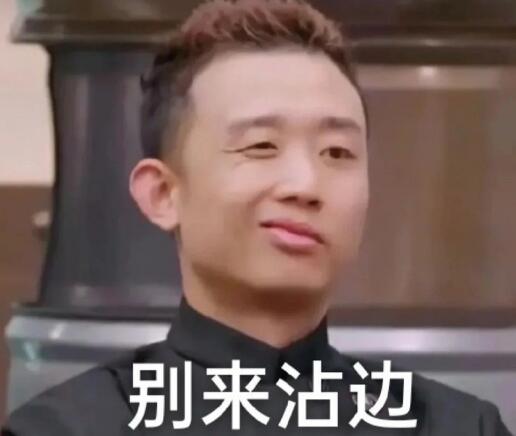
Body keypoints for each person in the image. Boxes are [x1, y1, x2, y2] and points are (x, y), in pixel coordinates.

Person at [2, 0, 513, 434]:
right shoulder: (68, 427)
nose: (305, 185)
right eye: (261, 146)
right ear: (162, 193)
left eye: (337, 152)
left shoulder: (456, 426)